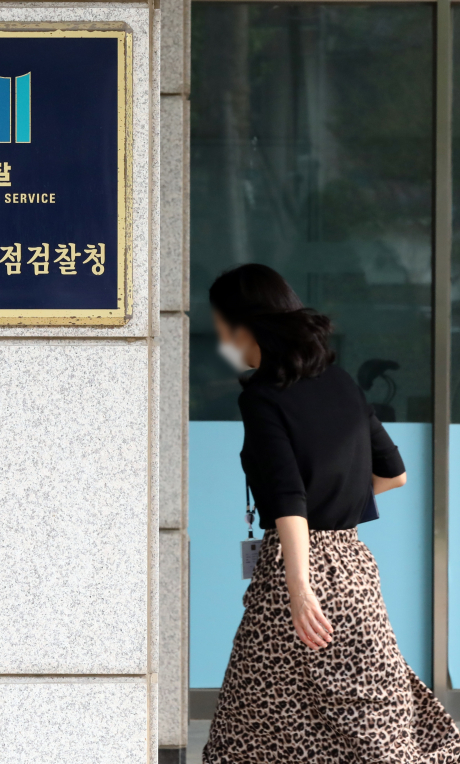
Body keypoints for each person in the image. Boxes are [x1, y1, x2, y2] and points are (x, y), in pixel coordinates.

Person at [203, 263, 460, 764]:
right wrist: (336, 506)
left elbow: (288, 500)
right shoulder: (340, 382)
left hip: (294, 575)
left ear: (243, 325)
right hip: (354, 569)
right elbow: (394, 473)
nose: (220, 337)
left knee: (255, 726)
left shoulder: (261, 397)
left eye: (220, 324)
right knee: (368, 714)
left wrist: (300, 589)